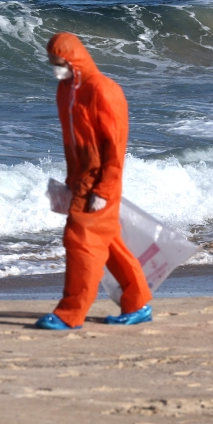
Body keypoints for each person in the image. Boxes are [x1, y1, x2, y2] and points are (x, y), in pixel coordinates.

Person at [35, 33, 153, 330]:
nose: (55, 68)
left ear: (73, 60)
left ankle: (70, 313)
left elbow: (115, 144)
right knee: (108, 242)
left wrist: (105, 188)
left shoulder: (103, 90)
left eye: (60, 62)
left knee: (80, 241)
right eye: (52, 62)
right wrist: (70, 181)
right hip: (81, 180)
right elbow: (72, 142)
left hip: (101, 180)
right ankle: (138, 303)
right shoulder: (65, 90)